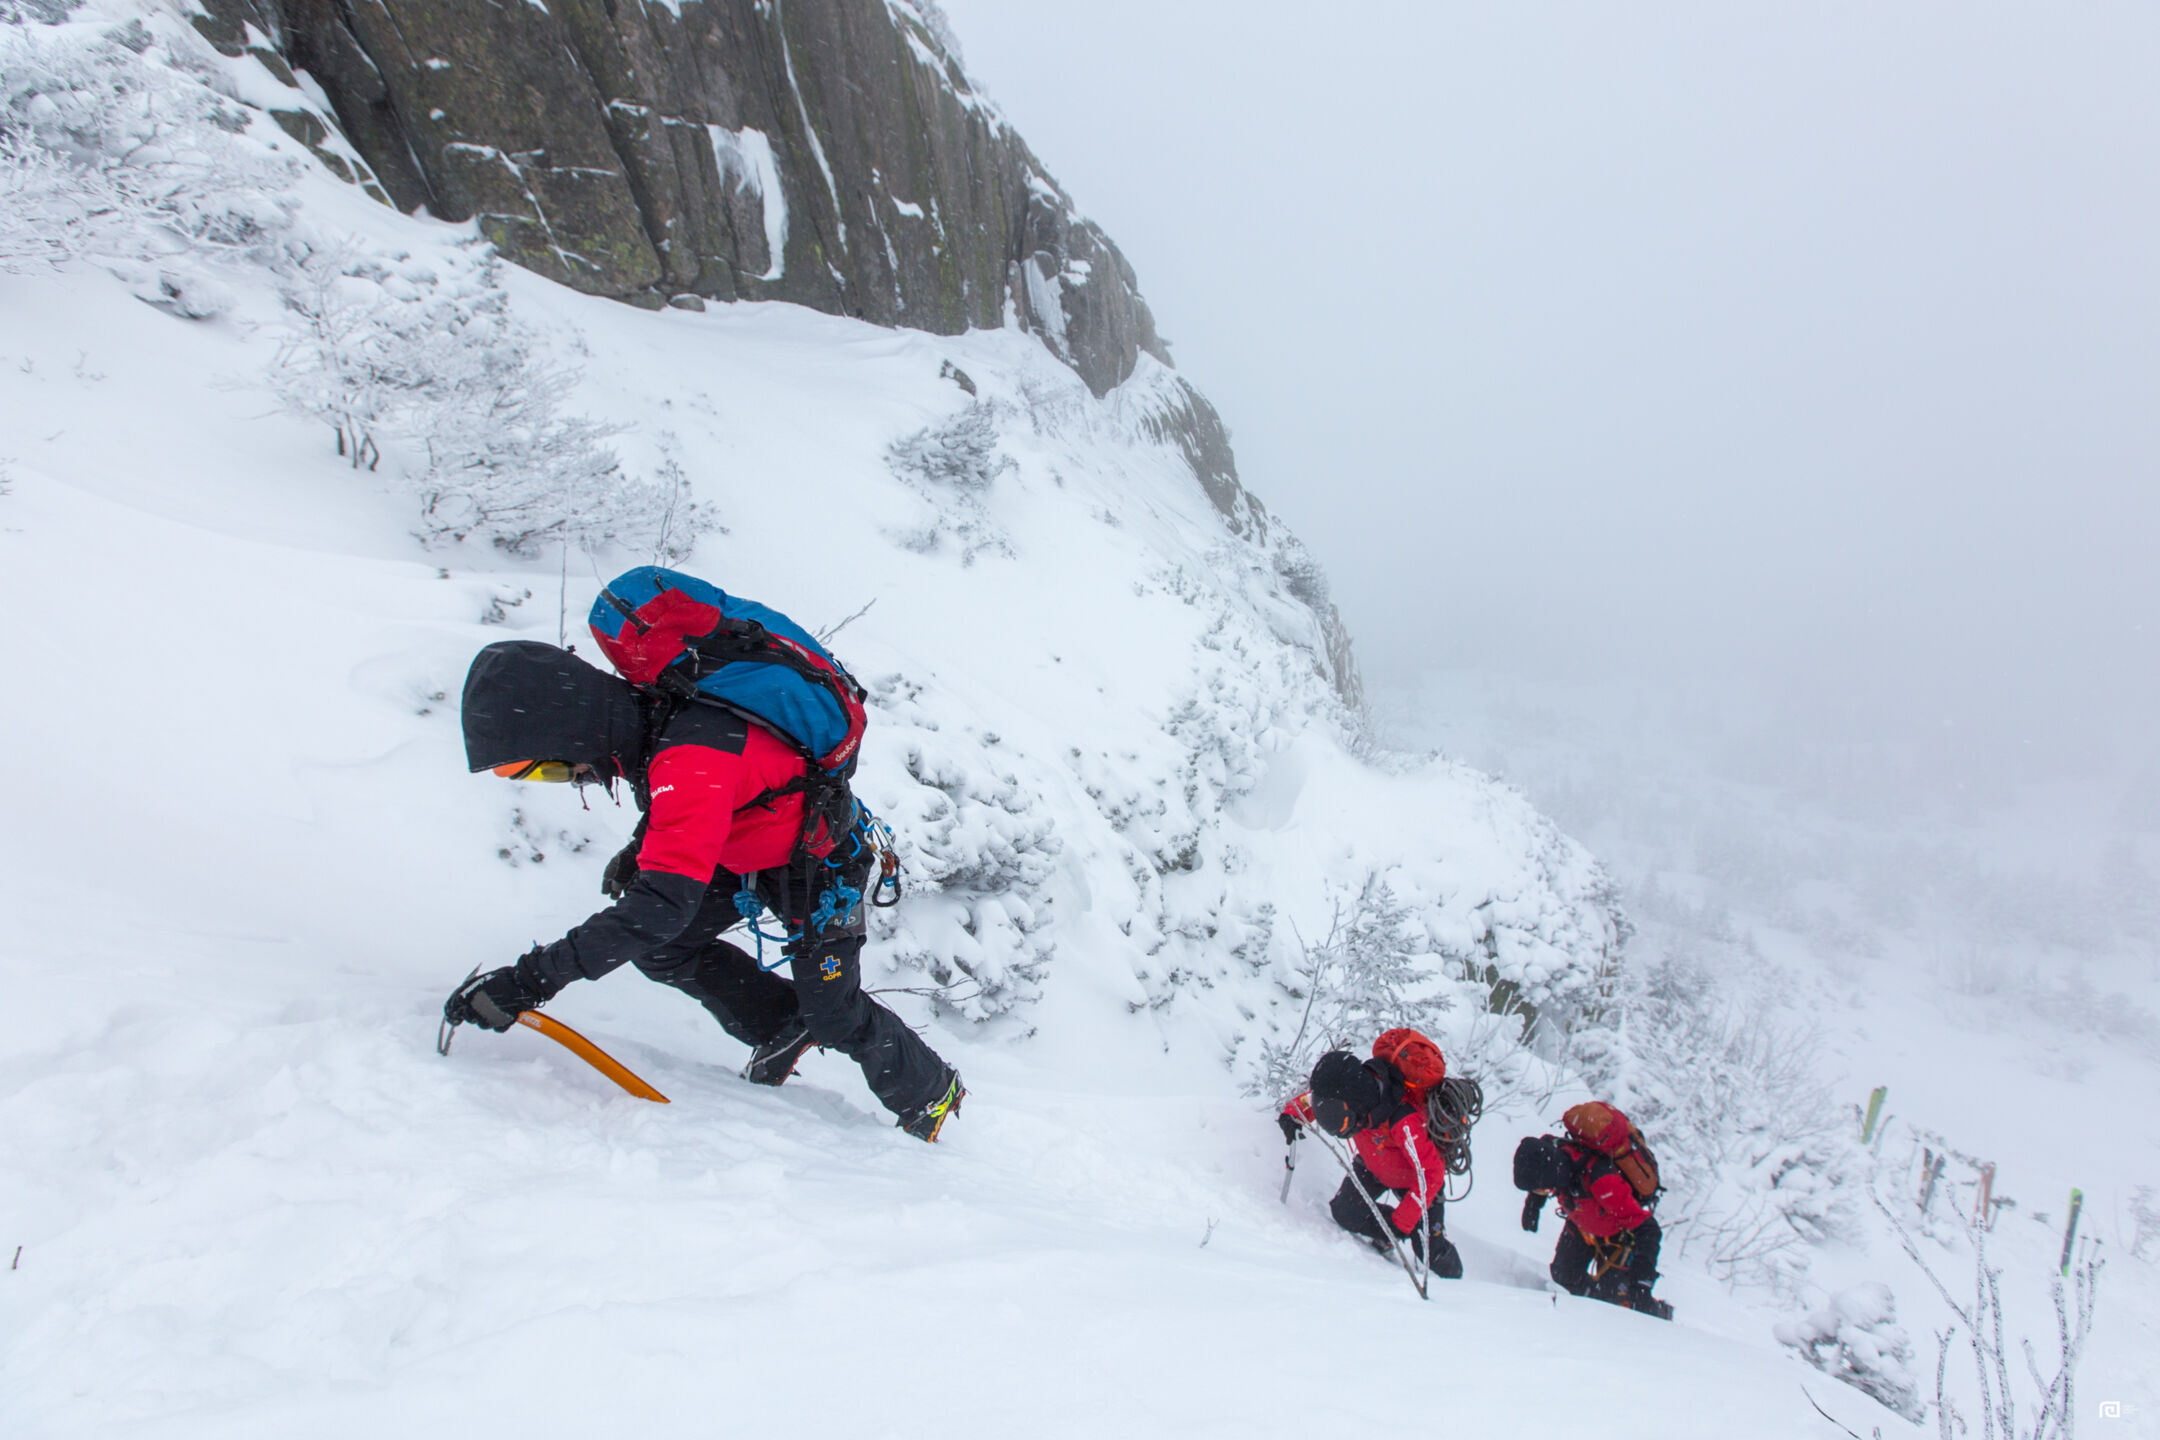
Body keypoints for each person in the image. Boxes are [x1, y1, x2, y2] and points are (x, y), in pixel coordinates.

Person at [441, 634, 964, 1141]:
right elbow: (704, 790)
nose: (570, 778)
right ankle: (783, 1025)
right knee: (664, 950)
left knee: (834, 1013)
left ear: (571, 730)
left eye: (549, 770)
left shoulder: (689, 753)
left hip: (818, 865)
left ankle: (929, 1091)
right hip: (743, 849)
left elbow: (661, 901)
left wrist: (530, 980)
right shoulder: (654, 713)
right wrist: (642, 847)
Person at [1280, 1044, 1464, 1279]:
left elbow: (1431, 1172)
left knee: (1430, 1254)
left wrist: (1403, 1220)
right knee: (1345, 1212)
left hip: (1416, 1183)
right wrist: (1292, 1114)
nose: (1339, 1128)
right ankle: (1388, 1237)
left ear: (1357, 1105)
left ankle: (1461, 1286)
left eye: (1342, 1123)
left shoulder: (1403, 1119)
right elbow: (1316, 1100)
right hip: (1373, 1165)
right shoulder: (1348, 1097)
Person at [1514, 1120, 1672, 1319]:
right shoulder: (1553, 1155)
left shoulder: (1602, 1182)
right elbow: (1540, 1164)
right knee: (1565, 1275)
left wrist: (1642, 1284)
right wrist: (1533, 1204)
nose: (1544, 1193)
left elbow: (1648, 1230)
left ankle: (1661, 1316)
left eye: (1542, 1190)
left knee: (1623, 1301)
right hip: (1582, 1226)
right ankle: (1590, 1312)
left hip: (1619, 1238)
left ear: (1551, 1178)